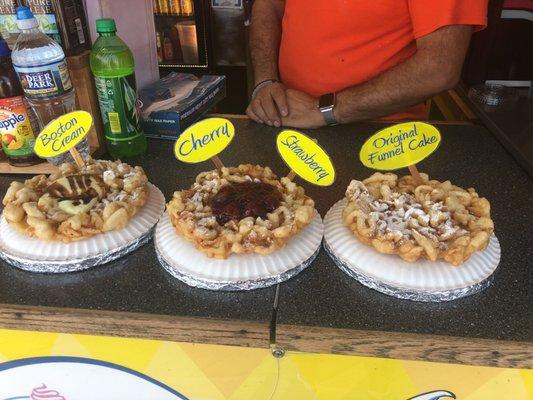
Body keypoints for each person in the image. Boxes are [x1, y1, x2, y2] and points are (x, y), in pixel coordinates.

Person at [246, 0, 488, 128]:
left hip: (379, 132)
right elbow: (269, 5)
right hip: (288, 118)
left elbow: (439, 68)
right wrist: (266, 81)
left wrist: (325, 110)